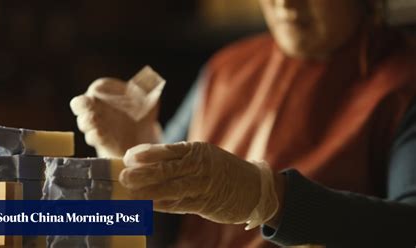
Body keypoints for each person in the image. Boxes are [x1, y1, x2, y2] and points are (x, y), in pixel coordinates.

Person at [70, 0, 416, 247]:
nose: (284, 4)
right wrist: (126, 158)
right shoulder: (226, 68)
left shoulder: (405, 83)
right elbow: (155, 231)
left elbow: (408, 228)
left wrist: (271, 199)